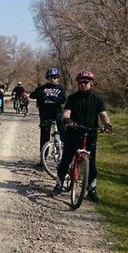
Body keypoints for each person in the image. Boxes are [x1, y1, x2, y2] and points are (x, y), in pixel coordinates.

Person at [50, 70, 113, 201]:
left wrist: (107, 124)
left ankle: (92, 189)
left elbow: (103, 114)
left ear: (91, 83)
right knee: (66, 159)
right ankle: (59, 185)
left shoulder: (97, 99)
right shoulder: (73, 98)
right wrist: (67, 120)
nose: (83, 84)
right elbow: (67, 112)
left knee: (92, 164)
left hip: (91, 134)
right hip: (74, 132)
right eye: (81, 82)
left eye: (86, 82)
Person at [30, 67, 66, 167]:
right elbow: (32, 95)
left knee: (63, 134)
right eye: (50, 78)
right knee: (44, 137)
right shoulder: (43, 87)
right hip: (45, 114)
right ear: (47, 78)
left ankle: (66, 158)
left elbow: (63, 99)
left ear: (58, 78)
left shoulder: (61, 87)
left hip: (57, 113)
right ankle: (43, 160)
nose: (52, 80)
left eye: (54, 78)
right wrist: (41, 93)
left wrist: (51, 97)